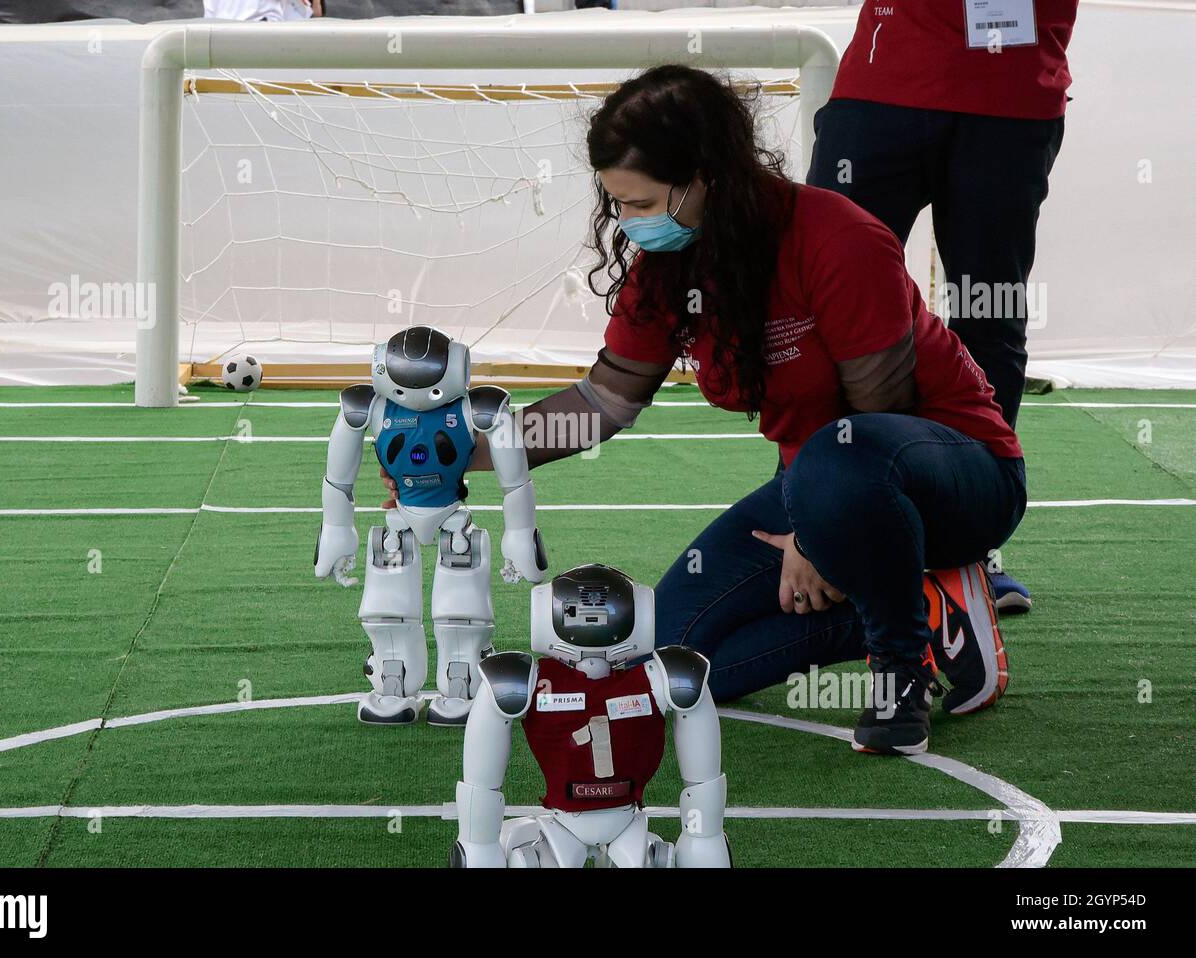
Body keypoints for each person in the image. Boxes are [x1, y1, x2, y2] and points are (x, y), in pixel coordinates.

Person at [381, 65, 1026, 756]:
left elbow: (876, 417)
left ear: (706, 178)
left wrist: (815, 543)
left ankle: (899, 673)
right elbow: (603, 402)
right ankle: (928, 614)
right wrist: (464, 451)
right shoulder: (671, 268)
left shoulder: (839, 237)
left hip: (951, 473)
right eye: (618, 204)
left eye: (642, 203)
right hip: (815, 485)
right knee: (663, 661)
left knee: (837, 467)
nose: (628, 223)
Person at [806, 1, 1078, 612]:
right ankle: (814, 532)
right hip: (884, 90)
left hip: (1010, 100)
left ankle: (965, 552)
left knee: (989, 316)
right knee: (827, 308)